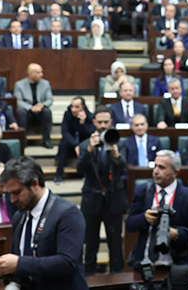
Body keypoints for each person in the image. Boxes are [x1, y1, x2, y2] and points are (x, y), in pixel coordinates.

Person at [0, 157, 87, 290]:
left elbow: (67, 262)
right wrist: (4, 267)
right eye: (9, 194)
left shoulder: (67, 213)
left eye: (16, 192)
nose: (12, 200)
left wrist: (19, 264)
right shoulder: (19, 216)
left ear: (35, 184)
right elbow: (20, 261)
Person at [125, 150, 188, 270]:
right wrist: (144, 218)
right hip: (144, 264)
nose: (156, 171)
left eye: (161, 167)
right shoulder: (142, 191)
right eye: (155, 166)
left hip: (176, 265)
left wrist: (177, 234)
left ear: (175, 172)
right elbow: (130, 225)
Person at [77, 106, 127, 274]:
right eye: (100, 122)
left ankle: (117, 278)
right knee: (91, 244)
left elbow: (124, 168)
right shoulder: (85, 144)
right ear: (93, 122)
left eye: (106, 122)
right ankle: (89, 278)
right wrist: (89, 151)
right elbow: (80, 169)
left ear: (111, 121)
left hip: (114, 200)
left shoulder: (119, 142)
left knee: (116, 244)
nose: (103, 125)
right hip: (92, 200)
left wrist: (116, 155)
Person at [55, 97, 95, 183]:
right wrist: (75, 145)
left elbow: (90, 134)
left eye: (77, 107)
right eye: (72, 106)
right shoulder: (67, 115)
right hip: (71, 144)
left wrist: (83, 123)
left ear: (83, 107)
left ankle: (86, 175)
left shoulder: (90, 116)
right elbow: (65, 132)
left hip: (83, 144)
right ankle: (59, 174)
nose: (73, 110)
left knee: (90, 145)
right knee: (63, 143)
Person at [14, 63, 54, 148]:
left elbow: (49, 99)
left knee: (47, 111)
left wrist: (42, 105)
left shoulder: (45, 84)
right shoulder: (19, 84)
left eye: (41, 72)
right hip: (27, 111)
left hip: (40, 111)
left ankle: (46, 140)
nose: (41, 75)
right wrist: (30, 108)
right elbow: (18, 101)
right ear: (30, 74)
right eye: (38, 73)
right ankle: (23, 141)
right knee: (20, 111)